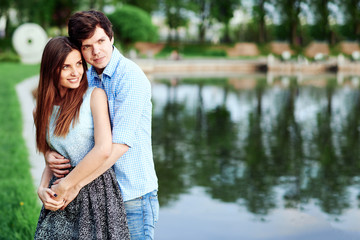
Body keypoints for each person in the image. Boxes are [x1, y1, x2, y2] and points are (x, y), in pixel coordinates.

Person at [46, 10, 159, 240]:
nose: (96, 51)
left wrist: (73, 184)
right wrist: (49, 153)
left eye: (101, 41)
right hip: (98, 196)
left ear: (111, 38)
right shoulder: (84, 76)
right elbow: (67, 130)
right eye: (87, 46)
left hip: (132, 196)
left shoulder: (131, 78)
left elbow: (118, 145)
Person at [33, 36, 130, 239]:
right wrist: (42, 189)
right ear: (51, 69)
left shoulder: (94, 96)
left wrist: (70, 184)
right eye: (66, 67)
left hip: (95, 190)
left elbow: (103, 149)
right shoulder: (41, 109)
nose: (76, 72)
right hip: (60, 193)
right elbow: (54, 159)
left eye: (78, 64)